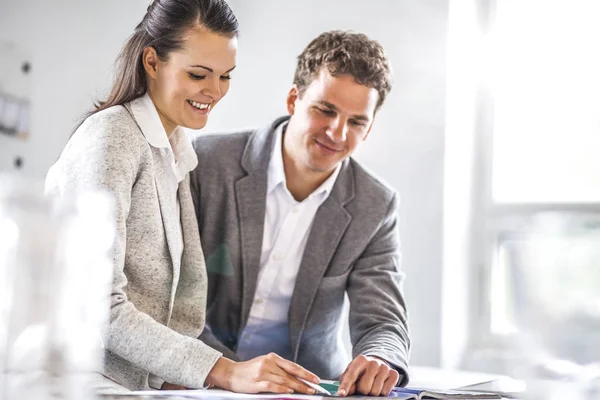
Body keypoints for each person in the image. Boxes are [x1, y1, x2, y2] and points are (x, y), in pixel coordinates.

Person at [45, 0, 320, 394]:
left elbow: (174, 315)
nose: (214, 91)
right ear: (152, 62)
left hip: (140, 384)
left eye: (226, 76)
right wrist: (222, 370)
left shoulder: (173, 150)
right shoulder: (112, 137)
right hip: (84, 381)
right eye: (198, 74)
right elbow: (94, 303)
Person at [190, 30, 410, 397]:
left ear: (369, 128)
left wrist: (379, 358)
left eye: (356, 122)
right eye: (325, 110)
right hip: (206, 380)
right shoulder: (208, 164)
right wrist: (224, 371)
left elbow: (383, 322)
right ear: (294, 99)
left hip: (308, 389)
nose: (337, 133)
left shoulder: (375, 205)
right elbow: (167, 297)